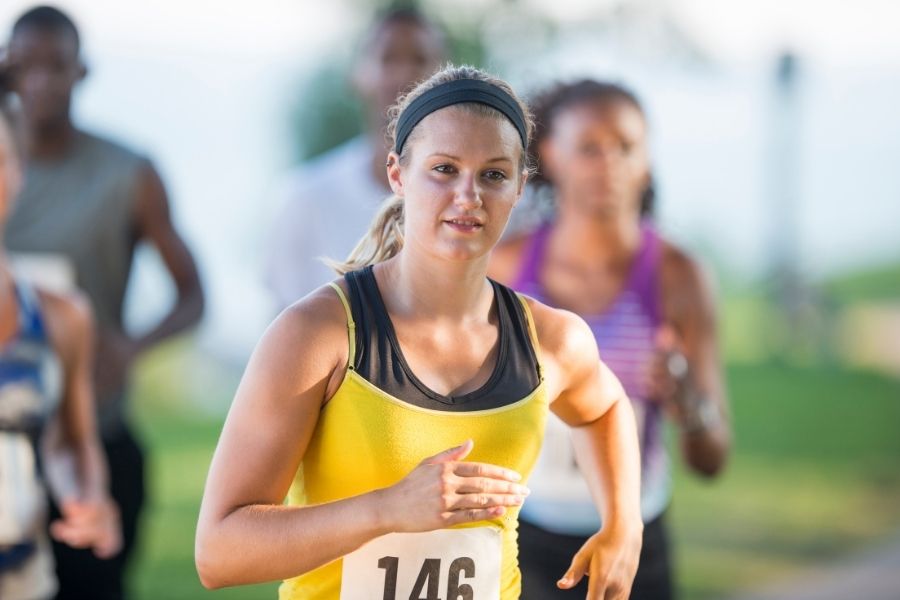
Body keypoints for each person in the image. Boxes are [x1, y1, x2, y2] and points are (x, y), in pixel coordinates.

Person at [196, 65, 644, 600]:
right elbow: (218, 552)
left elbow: (605, 407)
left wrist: (624, 522)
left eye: (494, 175)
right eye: (444, 169)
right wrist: (387, 510)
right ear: (397, 174)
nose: (468, 195)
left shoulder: (553, 339)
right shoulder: (317, 335)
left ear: (521, 187)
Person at [490, 80, 731, 599]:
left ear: (647, 158)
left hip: (636, 537)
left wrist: (687, 401)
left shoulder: (678, 277)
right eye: (589, 148)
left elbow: (713, 459)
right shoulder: (506, 267)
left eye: (625, 146)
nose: (609, 164)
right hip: (524, 536)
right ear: (550, 155)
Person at [3, 6, 205, 598]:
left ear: (81, 70)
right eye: (25, 67)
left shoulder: (126, 173)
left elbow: (192, 293)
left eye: (55, 66)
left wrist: (127, 348)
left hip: (92, 422)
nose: (40, 81)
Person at [0, 88, 120, 600]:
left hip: (24, 582)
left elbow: (69, 442)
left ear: (18, 173)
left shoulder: (60, 315)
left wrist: (89, 497)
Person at [265, 8, 446, 309]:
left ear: (444, 75)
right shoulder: (304, 197)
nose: (404, 75)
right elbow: (279, 323)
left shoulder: (481, 202)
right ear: (358, 74)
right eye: (388, 58)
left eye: (420, 59)